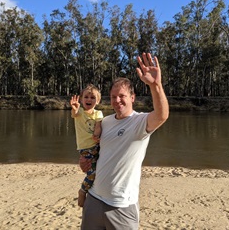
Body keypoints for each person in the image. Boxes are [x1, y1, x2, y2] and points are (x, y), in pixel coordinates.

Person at [80, 52, 169, 230]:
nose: (117, 100)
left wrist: (155, 85)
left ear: (132, 98)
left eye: (122, 96)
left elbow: (161, 116)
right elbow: (97, 151)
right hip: (94, 200)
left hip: (122, 206)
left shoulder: (139, 122)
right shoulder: (105, 122)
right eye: (113, 97)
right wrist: (86, 161)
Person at [70, 84, 103, 207]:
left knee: (101, 169)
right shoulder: (79, 113)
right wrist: (74, 108)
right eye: (86, 97)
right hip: (85, 149)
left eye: (93, 97)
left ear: (98, 101)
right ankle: (83, 191)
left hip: (97, 146)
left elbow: (99, 126)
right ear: (81, 99)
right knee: (92, 172)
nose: (89, 100)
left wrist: (96, 134)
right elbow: (74, 113)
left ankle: (95, 192)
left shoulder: (98, 113)